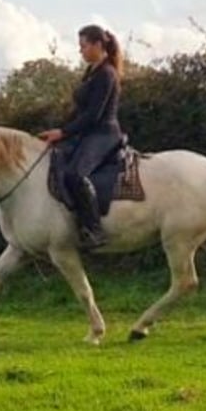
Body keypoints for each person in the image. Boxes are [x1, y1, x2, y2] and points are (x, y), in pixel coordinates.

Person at [38, 24, 125, 250]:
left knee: (75, 175)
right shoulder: (92, 72)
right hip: (88, 133)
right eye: (80, 47)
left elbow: (94, 115)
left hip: (104, 134)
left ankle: (94, 230)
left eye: (84, 46)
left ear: (98, 45)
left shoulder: (106, 74)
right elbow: (79, 112)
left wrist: (64, 132)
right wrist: (58, 130)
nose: (81, 51)